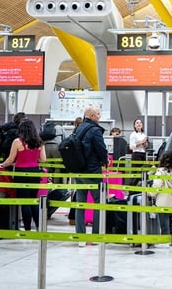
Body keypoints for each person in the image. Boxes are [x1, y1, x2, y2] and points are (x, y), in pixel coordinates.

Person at [0, 119, 46, 231]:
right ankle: (39, 226)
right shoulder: (40, 142)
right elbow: (43, 159)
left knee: (24, 202)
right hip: (35, 173)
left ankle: (27, 228)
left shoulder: (17, 142)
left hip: (21, 173)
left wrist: (1, 165)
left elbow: (10, 159)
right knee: (34, 200)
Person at [74, 105, 108, 246]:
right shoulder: (95, 130)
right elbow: (101, 148)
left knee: (80, 203)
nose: (99, 116)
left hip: (79, 170)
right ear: (92, 116)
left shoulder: (78, 128)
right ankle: (95, 236)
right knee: (99, 201)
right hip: (92, 170)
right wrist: (105, 160)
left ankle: (80, 237)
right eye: (98, 114)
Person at [150, 151, 172, 244]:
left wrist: (150, 193)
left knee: (164, 224)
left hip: (162, 202)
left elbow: (157, 186)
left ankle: (165, 242)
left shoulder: (160, 173)